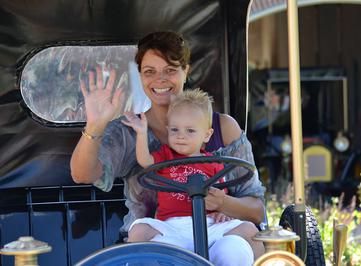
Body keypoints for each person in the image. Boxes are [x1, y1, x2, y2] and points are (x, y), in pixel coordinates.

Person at [70, 31, 266, 265]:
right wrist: (95, 123)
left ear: (186, 71)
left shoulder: (222, 127)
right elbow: (82, 174)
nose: (159, 80)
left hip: (217, 231)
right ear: (141, 77)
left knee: (249, 241)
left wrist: (223, 204)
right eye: (149, 72)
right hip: (160, 238)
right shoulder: (130, 129)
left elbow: (256, 209)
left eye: (170, 70)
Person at [122, 88, 264, 262]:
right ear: (168, 130)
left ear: (207, 134)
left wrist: (223, 211)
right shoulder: (165, 155)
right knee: (138, 229)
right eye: (174, 130)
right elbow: (145, 161)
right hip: (172, 227)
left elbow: (220, 195)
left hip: (208, 225)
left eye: (190, 131)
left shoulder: (215, 162)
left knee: (249, 230)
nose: (181, 136)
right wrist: (142, 133)